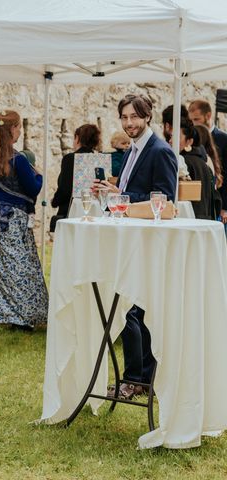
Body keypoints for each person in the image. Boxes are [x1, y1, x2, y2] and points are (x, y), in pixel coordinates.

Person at [94, 94, 177, 400]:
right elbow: (132, 192)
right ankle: (142, 379)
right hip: (130, 240)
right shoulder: (133, 149)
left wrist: (123, 200)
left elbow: (164, 202)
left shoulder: (160, 151)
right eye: (124, 118)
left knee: (133, 311)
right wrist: (114, 191)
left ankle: (136, 380)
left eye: (134, 117)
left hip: (150, 243)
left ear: (147, 117)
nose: (129, 123)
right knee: (134, 311)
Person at [0, 110, 48, 330]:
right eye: (18, 128)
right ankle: (22, 318)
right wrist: (40, 175)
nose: (19, 131)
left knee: (0, 267)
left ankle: (2, 313)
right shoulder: (20, 160)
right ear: (13, 129)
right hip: (13, 219)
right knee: (21, 267)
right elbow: (33, 187)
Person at [50, 124, 100, 232]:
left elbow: (65, 188)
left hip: (71, 210)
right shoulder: (99, 159)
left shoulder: (70, 159)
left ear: (77, 138)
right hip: (94, 212)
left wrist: (55, 201)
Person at [188, 99, 227, 226]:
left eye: (196, 119)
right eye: (191, 121)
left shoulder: (223, 139)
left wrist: (225, 207)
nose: (193, 124)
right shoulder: (192, 138)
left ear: (208, 116)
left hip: (219, 202)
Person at [173, 119, 215, 219]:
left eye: (177, 137)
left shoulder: (183, 162)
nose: (171, 141)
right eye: (171, 136)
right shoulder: (203, 162)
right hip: (206, 216)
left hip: (190, 216)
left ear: (189, 141)